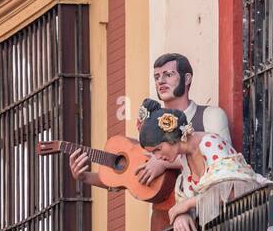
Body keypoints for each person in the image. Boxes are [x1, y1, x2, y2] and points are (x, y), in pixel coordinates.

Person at [69, 52, 231, 195]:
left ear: (187, 78)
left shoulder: (210, 115)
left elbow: (224, 160)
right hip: (165, 217)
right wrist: (84, 177)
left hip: (207, 212)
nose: (161, 81)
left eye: (168, 74)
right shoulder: (151, 127)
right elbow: (128, 176)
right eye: (157, 77)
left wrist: (163, 163)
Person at [138, 107, 268, 231]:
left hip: (270, 215)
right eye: (153, 153)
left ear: (171, 137)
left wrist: (188, 204)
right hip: (249, 229)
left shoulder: (209, 143)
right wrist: (182, 216)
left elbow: (237, 189)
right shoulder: (185, 160)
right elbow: (191, 200)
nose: (158, 157)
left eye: (158, 149)